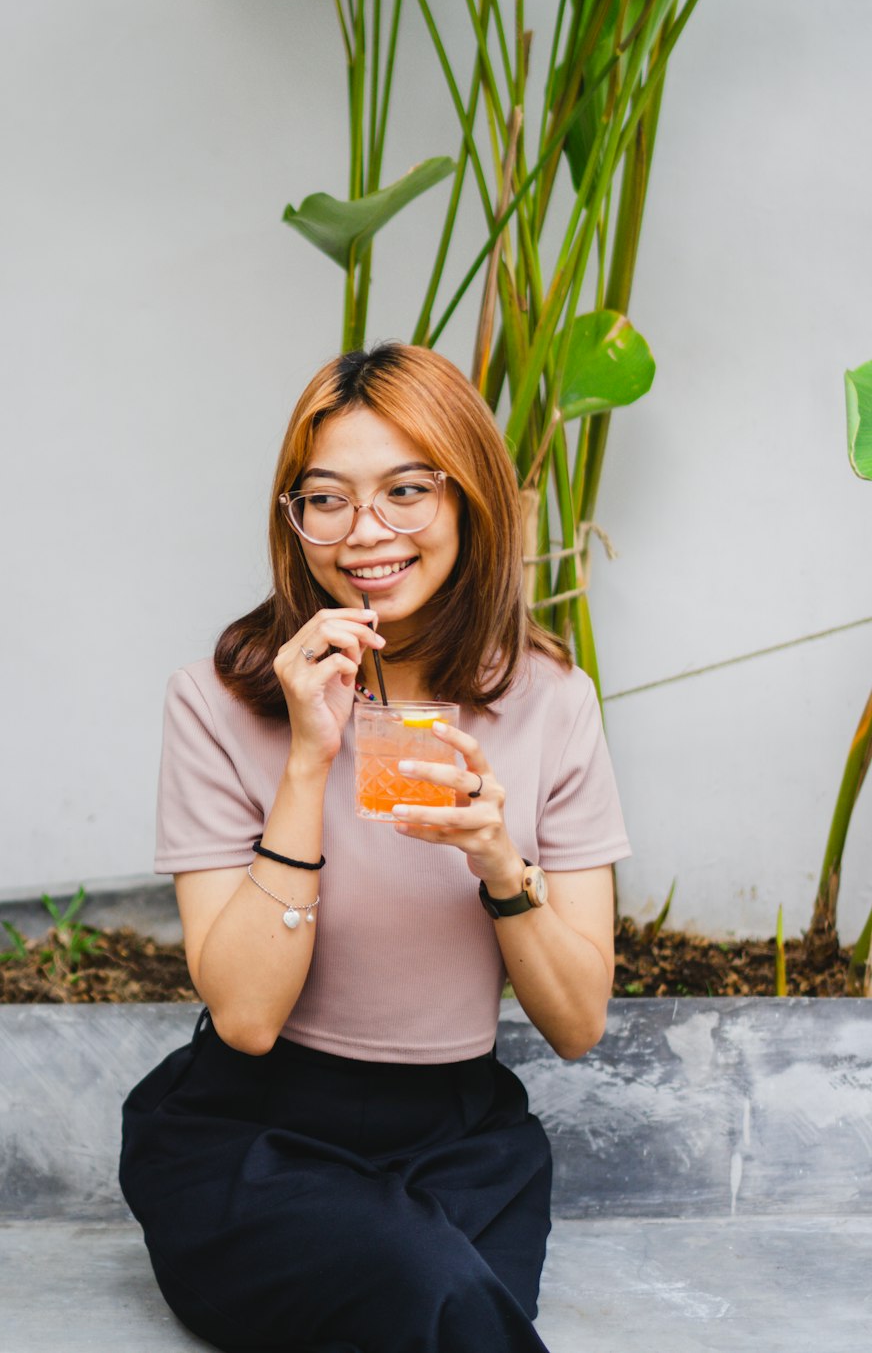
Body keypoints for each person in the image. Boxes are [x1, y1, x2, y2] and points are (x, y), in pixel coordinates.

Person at [119, 341, 631, 1353]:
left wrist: (498, 863)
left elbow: (576, 1022)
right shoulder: (215, 700)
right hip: (254, 1132)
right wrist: (308, 760)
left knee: (435, 1295)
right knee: (429, 1287)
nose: (366, 531)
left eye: (406, 489)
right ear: (293, 517)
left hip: (464, 1139)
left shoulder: (552, 702)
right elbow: (249, 1016)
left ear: (469, 500)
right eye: (326, 498)